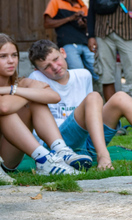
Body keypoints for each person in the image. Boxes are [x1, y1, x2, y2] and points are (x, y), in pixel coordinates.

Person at [27, 40, 132, 170]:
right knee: (93, 97)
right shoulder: (35, 78)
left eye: (56, 59)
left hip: (87, 144)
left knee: (120, 97)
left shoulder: (83, 75)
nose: (55, 67)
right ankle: (103, 156)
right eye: (46, 67)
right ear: (38, 70)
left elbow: (90, 113)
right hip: (58, 146)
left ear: (63, 53)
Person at [0, 34, 91, 176]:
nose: (11, 61)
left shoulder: (20, 83)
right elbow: (4, 107)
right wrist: (30, 93)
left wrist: (12, 90)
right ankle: (44, 158)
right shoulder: (25, 85)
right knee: (27, 101)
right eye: (3, 56)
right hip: (2, 157)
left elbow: (54, 96)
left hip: (10, 153)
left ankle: (60, 151)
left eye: (14, 55)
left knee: (36, 100)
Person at [43, 0, 98, 82]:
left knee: (97, 73)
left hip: (85, 43)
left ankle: (99, 96)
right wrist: (70, 18)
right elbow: (47, 23)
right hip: (68, 44)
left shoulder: (83, 6)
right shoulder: (56, 2)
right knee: (78, 74)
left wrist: (84, 24)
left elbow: (89, 28)